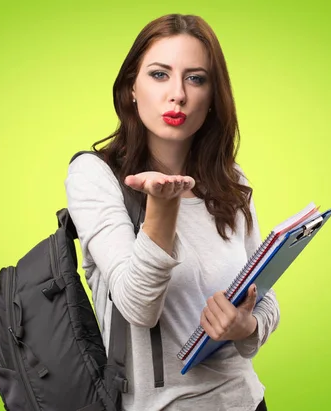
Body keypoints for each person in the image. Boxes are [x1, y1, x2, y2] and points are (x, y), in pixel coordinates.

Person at [65, 13, 280, 411]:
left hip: (246, 402)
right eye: (160, 75)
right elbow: (137, 307)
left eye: (196, 78)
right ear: (132, 86)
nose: (178, 94)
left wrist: (245, 326)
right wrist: (161, 208)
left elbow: (264, 297)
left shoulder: (230, 180)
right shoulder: (94, 176)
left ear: (213, 95)